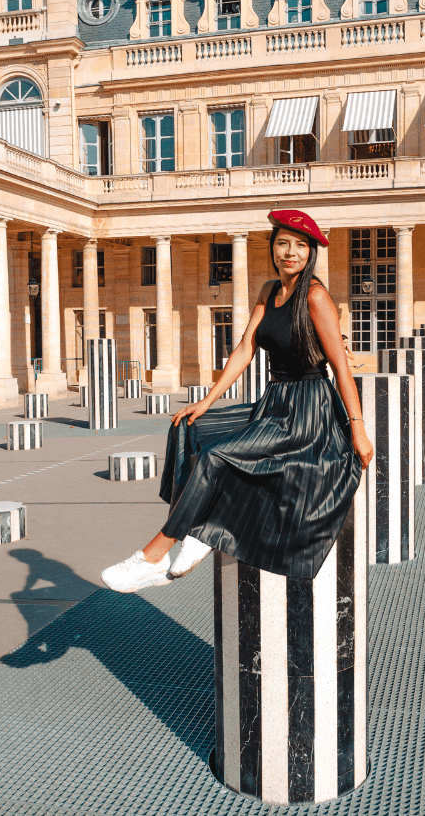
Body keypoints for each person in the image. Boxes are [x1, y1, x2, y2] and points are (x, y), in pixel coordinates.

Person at [102, 209, 373, 592]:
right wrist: (206, 402)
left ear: (310, 252)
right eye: (283, 243)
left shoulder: (315, 297)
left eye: (300, 245)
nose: (290, 252)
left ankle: (153, 555)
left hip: (308, 413)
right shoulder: (268, 291)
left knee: (216, 457)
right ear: (273, 247)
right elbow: (245, 348)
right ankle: (199, 529)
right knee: (189, 430)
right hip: (274, 403)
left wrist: (358, 430)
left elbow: (340, 369)